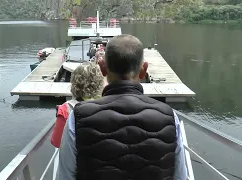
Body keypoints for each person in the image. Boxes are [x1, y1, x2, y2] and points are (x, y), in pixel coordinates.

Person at [56, 34, 187, 180]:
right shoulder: (169, 117)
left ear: (102, 68)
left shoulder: (78, 116)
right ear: (143, 70)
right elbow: (180, 176)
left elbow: (65, 176)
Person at [50, 61, 104, 148]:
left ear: (74, 83)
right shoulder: (107, 104)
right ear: (100, 83)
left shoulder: (66, 109)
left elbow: (56, 142)